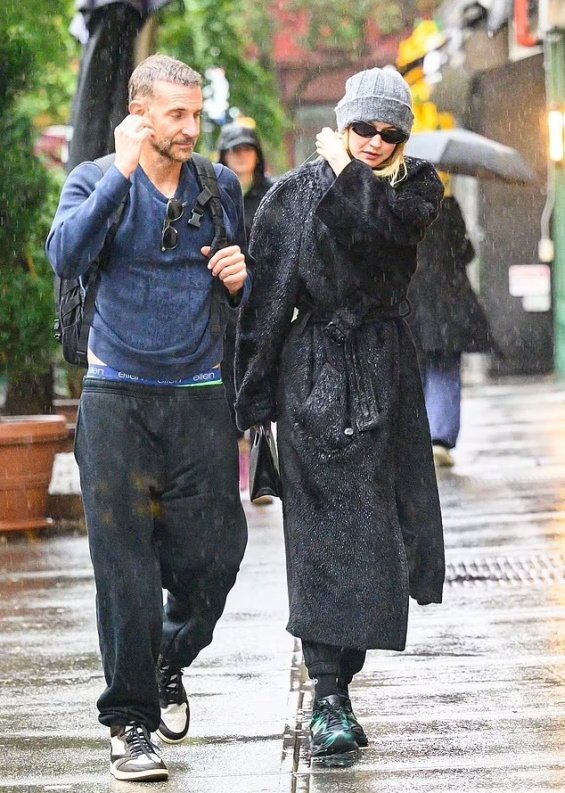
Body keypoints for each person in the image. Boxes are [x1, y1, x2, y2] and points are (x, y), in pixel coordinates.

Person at [46, 54, 249, 783]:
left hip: (198, 395)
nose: (191, 128)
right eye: (176, 115)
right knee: (124, 569)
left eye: (196, 114)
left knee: (217, 557)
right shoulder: (97, 178)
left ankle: (167, 653)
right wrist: (118, 177)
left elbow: (242, 287)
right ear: (139, 111)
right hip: (116, 399)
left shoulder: (218, 187)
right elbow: (66, 256)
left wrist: (240, 278)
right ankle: (129, 722)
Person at [235, 67, 446, 761]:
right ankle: (329, 694)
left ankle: (341, 678)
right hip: (315, 377)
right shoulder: (291, 195)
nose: (377, 142)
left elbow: (376, 244)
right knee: (323, 540)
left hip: (384, 375)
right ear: (342, 121)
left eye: (391, 132)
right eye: (364, 128)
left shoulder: (416, 190)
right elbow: (265, 302)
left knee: (382, 539)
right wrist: (254, 397)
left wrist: (341, 169)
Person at [407, 178, 495, 467]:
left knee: (417, 370)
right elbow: (466, 253)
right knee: (444, 366)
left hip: (414, 302)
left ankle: (418, 436)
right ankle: (440, 438)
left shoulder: (404, 206)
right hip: (448, 303)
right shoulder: (448, 206)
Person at [218, 121, 274, 501]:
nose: (240, 156)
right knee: (227, 387)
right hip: (224, 309)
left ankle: (261, 473)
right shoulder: (214, 194)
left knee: (259, 384)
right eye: (233, 150)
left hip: (265, 305)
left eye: (246, 149)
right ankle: (237, 472)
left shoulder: (273, 195)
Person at [67, 1, 174, 171]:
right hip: (114, 14)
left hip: (124, 15)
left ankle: (101, 164)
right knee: (102, 95)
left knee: (113, 95)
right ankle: (93, 167)